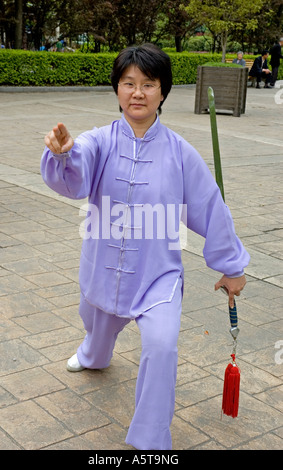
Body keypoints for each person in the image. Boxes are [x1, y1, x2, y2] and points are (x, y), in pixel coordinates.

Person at [41, 43, 249, 450]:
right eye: (128, 83)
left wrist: (232, 266)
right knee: (97, 324)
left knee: (161, 344)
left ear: (163, 92)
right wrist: (64, 156)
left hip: (158, 274)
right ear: (117, 89)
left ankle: (149, 441)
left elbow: (211, 206)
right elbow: (75, 173)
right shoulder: (98, 141)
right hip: (103, 266)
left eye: (148, 84)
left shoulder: (180, 153)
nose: (138, 93)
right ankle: (93, 355)